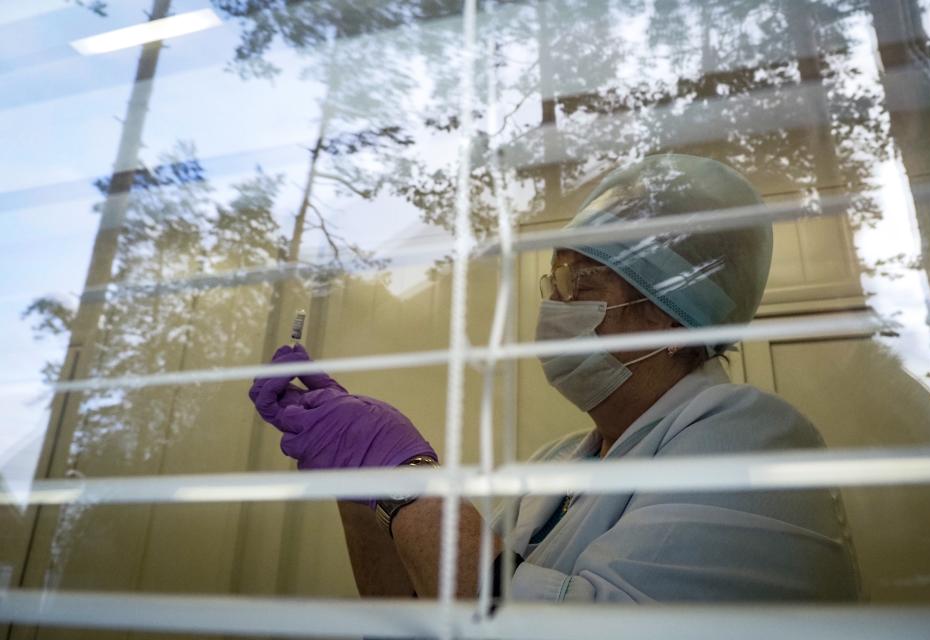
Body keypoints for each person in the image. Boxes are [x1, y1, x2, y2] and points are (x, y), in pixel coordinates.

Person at [248, 154, 861, 603]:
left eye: (582, 286)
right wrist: (365, 490)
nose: (554, 308)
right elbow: (418, 609)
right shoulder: (555, 468)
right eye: (555, 284)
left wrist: (414, 483)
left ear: (669, 315)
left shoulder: (753, 440)